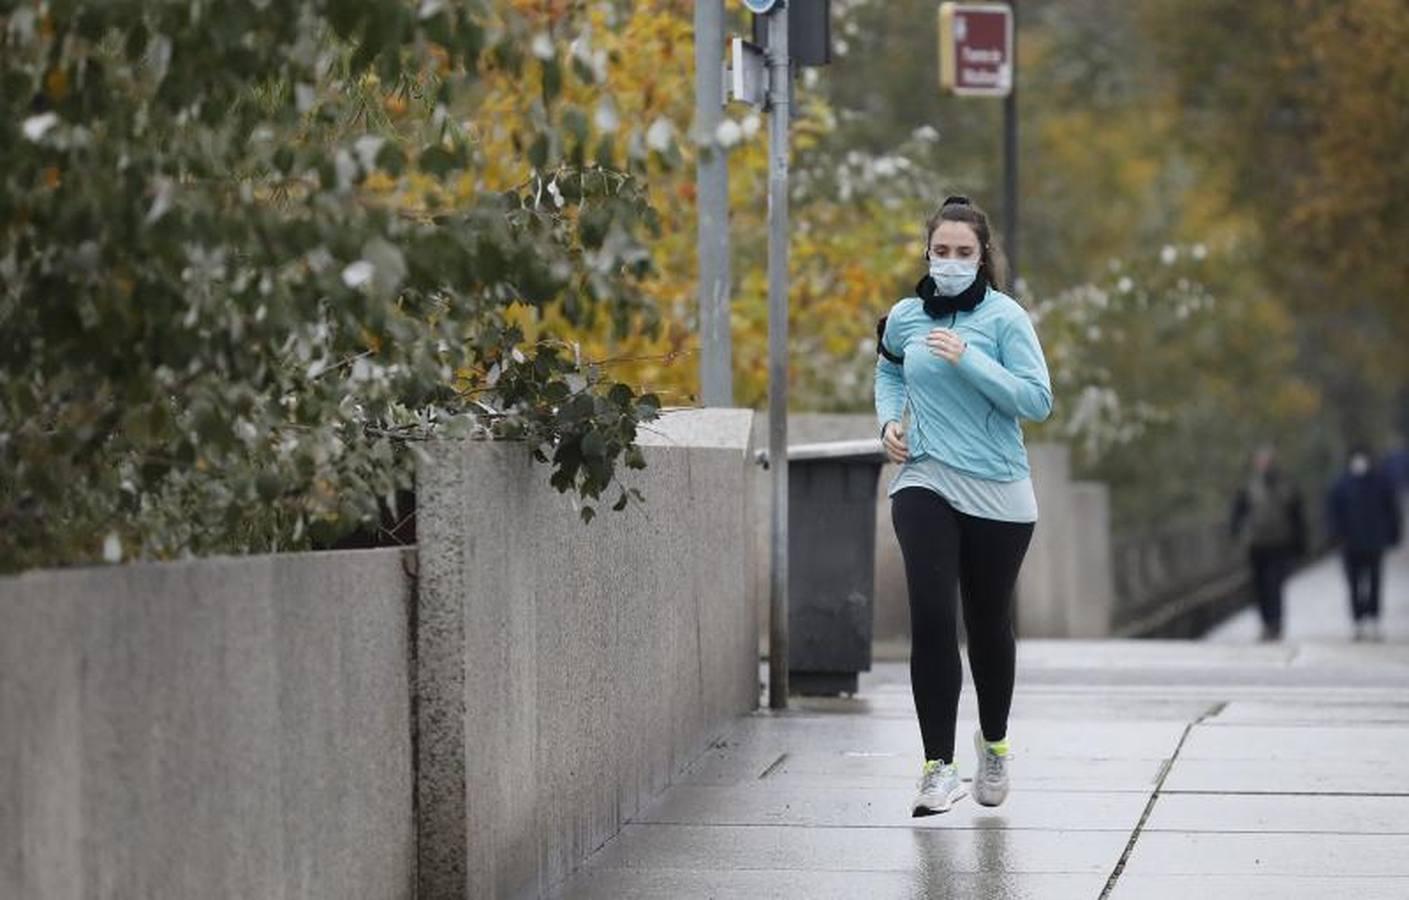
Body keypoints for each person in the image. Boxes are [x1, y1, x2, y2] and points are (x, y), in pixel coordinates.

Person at [873, 195, 1052, 816]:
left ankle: (995, 744)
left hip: (999, 493)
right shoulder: (905, 317)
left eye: (963, 253)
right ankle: (937, 767)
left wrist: (970, 360)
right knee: (929, 615)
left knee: (987, 624)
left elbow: (1037, 401)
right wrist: (886, 425)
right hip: (925, 479)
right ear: (928, 252)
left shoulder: (1005, 320)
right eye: (941, 251)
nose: (950, 262)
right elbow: (889, 372)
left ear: (982, 258)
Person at [1230, 446, 1306, 641]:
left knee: (1275, 584)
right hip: (1257, 544)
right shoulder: (1248, 486)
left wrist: (1300, 543)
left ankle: (1276, 622)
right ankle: (1265, 622)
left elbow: (1296, 515)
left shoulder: (1285, 484)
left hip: (1279, 543)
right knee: (1259, 586)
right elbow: (1238, 512)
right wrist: (1235, 532)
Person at [1327, 446, 1401, 641]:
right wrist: (1335, 536)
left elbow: (1392, 510)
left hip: (1374, 542)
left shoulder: (1380, 481)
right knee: (1354, 585)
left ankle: (1374, 619)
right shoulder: (1341, 484)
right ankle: (1358, 621)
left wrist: (1394, 535)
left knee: (1375, 583)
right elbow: (1332, 513)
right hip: (1350, 544)